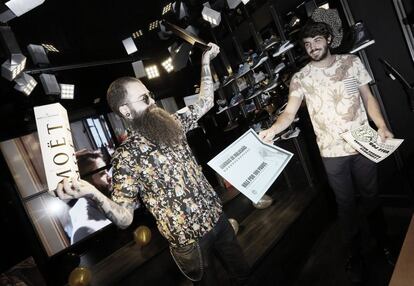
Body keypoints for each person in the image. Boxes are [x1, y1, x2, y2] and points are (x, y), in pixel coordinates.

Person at [57, 43, 251, 285]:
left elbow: (207, 101)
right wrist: (92, 192)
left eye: (150, 95)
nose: (153, 101)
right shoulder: (126, 157)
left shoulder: (173, 123)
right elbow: (125, 218)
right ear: (126, 111)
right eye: (144, 98)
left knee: (243, 275)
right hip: (189, 242)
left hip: (218, 219)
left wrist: (204, 61)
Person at [259, 21, 394, 282]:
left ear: (329, 39)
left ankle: (383, 243)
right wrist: (273, 130)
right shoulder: (301, 78)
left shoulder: (351, 62)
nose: (313, 48)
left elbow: (367, 97)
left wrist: (382, 126)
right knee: (345, 205)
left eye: (317, 41)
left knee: (371, 197)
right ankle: (355, 254)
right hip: (331, 153)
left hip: (363, 142)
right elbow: (289, 112)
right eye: (307, 44)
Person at [69, 149, 112, 244]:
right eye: (102, 174)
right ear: (87, 184)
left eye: (106, 171)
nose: (109, 177)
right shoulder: (84, 230)